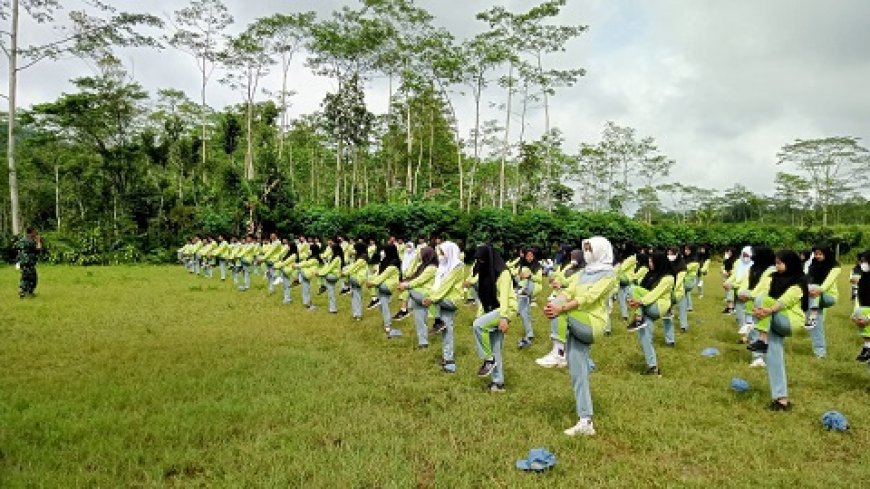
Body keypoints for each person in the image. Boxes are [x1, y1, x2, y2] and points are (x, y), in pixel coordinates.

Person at [544, 237, 617, 436]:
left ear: (601, 251)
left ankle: (558, 351)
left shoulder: (609, 275)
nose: (587, 253)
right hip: (577, 319)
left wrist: (562, 308)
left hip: (593, 323)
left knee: (562, 312)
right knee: (578, 372)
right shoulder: (584, 272)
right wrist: (554, 303)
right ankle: (585, 422)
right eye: (585, 249)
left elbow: (589, 297)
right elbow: (569, 291)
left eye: (590, 249)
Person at [746, 250, 808, 411]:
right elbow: (762, 293)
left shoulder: (800, 281)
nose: (777, 266)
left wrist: (769, 309)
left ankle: (761, 339)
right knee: (774, 357)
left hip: (789, 320)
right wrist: (757, 309)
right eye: (776, 262)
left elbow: (787, 299)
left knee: (763, 301)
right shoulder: (772, 277)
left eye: (780, 263)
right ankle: (781, 399)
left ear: (791, 263)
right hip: (771, 318)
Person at [472, 245, 518, 392]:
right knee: (496, 347)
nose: (481, 262)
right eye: (478, 260)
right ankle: (498, 384)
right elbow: (484, 297)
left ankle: (488, 358)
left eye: (483, 259)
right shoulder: (484, 271)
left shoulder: (503, 273)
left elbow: (504, 297)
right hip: (492, 309)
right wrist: (482, 313)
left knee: (478, 326)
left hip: (506, 309)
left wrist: (504, 317)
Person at [627, 251, 674, 376]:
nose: (650, 263)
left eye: (652, 261)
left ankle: (638, 317)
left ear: (659, 262)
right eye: (649, 261)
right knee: (644, 337)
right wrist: (634, 301)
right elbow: (643, 289)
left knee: (633, 289)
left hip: (658, 307)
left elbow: (655, 293)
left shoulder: (668, 278)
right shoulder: (651, 274)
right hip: (647, 306)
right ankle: (653, 367)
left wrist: (639, 302)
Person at [421, 241, 466, 373]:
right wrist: (432, 296)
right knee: (447, 329)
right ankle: (448, 359)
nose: (440, 255)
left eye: (442, 252)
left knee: (429, 298)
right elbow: (437, 284)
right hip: (444, 299)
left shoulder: (457, 266)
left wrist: (432, 299)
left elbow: (446, 284)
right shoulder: (444, 265)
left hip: (453, 300)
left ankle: (437, 320)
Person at [536, 249, 583, 368]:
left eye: (575, 256)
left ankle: (562, 354)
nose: (572, 259)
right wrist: (553, 279)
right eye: (571, 256)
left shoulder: (583, 271)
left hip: (574, 301)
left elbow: (575, 286)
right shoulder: (569, 267)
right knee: (563, 326)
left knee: (570, 331)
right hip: (563, 296)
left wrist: (561, 285)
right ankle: (560, 353)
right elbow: (560, 276)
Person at [737, 246, 776, 368]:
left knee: (759, 331)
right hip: (751, 303)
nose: (752, 256)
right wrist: (742, 292)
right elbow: (746, 282)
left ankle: (758, 358)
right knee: (755, 330)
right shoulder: (753, 268)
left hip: (764, 303)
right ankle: (759, 357)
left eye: (755, 254)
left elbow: (764, 288)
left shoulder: (771, 270)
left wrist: (750, 295)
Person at [805, 244, 841, 359]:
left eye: (820, 254)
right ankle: (820, 353)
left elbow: (828, 282)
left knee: (814, 287)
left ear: (826, 253)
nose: (818, 256)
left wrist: (819, 289)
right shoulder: (812, 266)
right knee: (817, 326)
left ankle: (812, 314)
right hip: (814, 298)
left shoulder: (835, 267)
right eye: (816, 254)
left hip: (828, 297)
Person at [400, 246, 439, 349]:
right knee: (419, 320)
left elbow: (420, 280)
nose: (420, 257)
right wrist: (415, 260)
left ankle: (404, 309)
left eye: (421, 255)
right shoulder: (422, 266)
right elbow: (407, 274)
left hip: (425, 294)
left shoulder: (432, 268)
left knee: (406, 288)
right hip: (418, 293)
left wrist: (406, 285)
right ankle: (423, 343)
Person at [367, 243, 403, 338]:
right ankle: (387, 322)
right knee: (383, 305)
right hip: (384, 284)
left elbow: (383, 276)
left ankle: (387, 325)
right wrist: (371, 279)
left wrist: (372, 283)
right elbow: (379, 274)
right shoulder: (387, 260)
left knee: (384, 305)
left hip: (387, 286)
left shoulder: (393, 263)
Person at [516, 247, 543, 349]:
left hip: (533, 287)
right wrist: (521, 277)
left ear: (534, 256)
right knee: (524, 312)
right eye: (527, 255)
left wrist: (529, 276)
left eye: (531, 256)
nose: (529, 258)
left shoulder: (537, 266)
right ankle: (529, 334)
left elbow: (539, 279)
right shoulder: (522, 264)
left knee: (520, 309)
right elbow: (519, 277)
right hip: (522, 288)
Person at [851, 250, 870, 362]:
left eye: (866, 261)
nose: (863, 264)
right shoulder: (865, 277)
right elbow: (861, 298)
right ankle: (867, 346)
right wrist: (856, 314)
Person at [343, 242, 370, 321]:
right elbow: (352, 266)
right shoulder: (360, 257)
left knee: (357, 296)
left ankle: (358, 314)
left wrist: (344, 273)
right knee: (354, 296)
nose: (354, 250)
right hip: (356, 278)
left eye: (355, 249)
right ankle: (356, 313)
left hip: (358, 279)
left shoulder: (362, 259)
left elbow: (353, 268)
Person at [318, 242, 344, 314]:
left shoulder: (336, 258)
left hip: (333, 276)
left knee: (331, 291)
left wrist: (320, 274)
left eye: (332, 249)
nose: (331, 250)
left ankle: (323, 285)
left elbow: (330, 268)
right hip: (332, 275)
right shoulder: (334, 257)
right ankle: (332, 308)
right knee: (331, 292)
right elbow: (328, 266)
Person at [17, 227, 42, 298]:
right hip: (28, 262)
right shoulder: (30, 241)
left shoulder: (22, 240)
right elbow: (38, 249)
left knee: (25, 277)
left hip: (23, 261)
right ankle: (26, 292)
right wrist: (38, 241)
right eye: (34, 232)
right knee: (32, 278)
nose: (35, 233)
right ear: (31, 232)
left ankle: (25, 292)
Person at [295, 243, 322, 310]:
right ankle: (308, 304)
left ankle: (308, 303)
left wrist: (297, 265)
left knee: (305, 289)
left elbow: (306, 263)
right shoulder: (313, 257)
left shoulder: (314, 259)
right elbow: (305, 263)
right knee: (306, 289)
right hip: (306, 274)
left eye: (310, 249)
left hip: (306, 274)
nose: (309, 250)